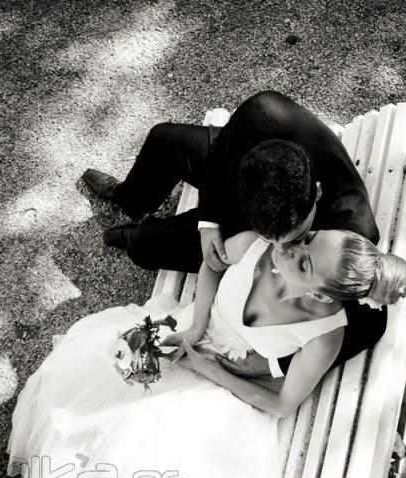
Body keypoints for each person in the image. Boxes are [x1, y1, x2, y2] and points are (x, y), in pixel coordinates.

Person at [7, 229, 406, 478]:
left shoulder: (325, 335)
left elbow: (284, 404)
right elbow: (212, 264)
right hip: (189, 331)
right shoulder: (256, 242)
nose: (289, 249)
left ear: (321, 296)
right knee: (93, 399)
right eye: (306, 239)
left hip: (225, 386)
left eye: (304, 263)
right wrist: (196, 325)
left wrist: (207, 368)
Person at [82, 90, 386, 375]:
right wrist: (209, 223)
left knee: (144, 247)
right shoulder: (263, 113)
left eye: (297, 235)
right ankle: (129, 199)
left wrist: (273, 364)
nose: (281, 249)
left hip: (250, 236)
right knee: (164, 139)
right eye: (273, 240)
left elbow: (372, 322)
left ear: (317, 193)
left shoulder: (352, 230)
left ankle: (136, 235)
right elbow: (220, 153)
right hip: (246, 201)